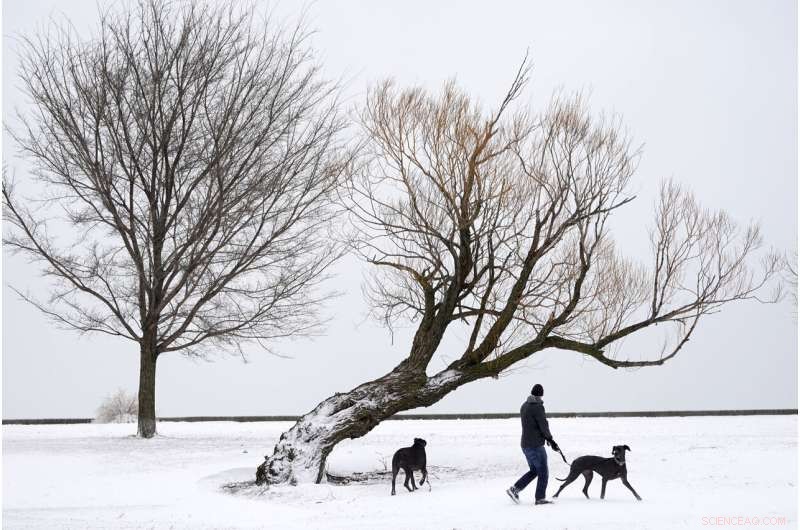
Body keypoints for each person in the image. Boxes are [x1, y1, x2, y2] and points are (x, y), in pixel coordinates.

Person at [506, 383, 559, 505]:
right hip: (535, 446)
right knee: (543, 472)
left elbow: (532, 425)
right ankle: (540, 498)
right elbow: (543, 424)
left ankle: (514, 489)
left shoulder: (524, 405)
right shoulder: (537, 407)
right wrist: (550, 439)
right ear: (540, 394)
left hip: (525, 444)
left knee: (535, 470)